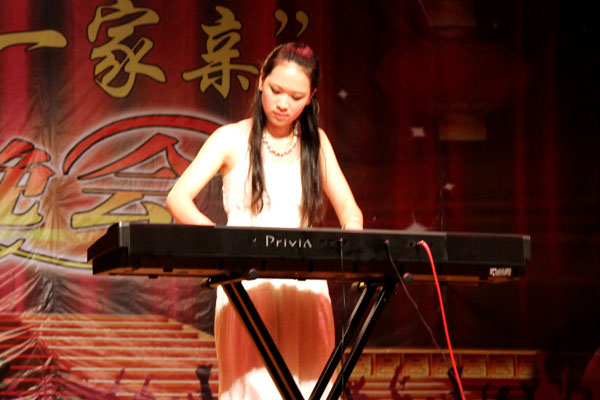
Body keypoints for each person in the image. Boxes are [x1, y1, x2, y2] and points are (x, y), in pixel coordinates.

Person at [166, 42, 363, 399]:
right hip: (247, 285)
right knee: (252, 387)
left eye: (296, 96)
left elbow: (350, 211)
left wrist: (353, 241)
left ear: (311, 97)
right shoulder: (230, 139)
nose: (283, 103)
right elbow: (178, 198)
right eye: (276, 90)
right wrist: (222, 244)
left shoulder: (316, 144)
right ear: (260, 81)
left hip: (305, 288)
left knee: (309, 386)